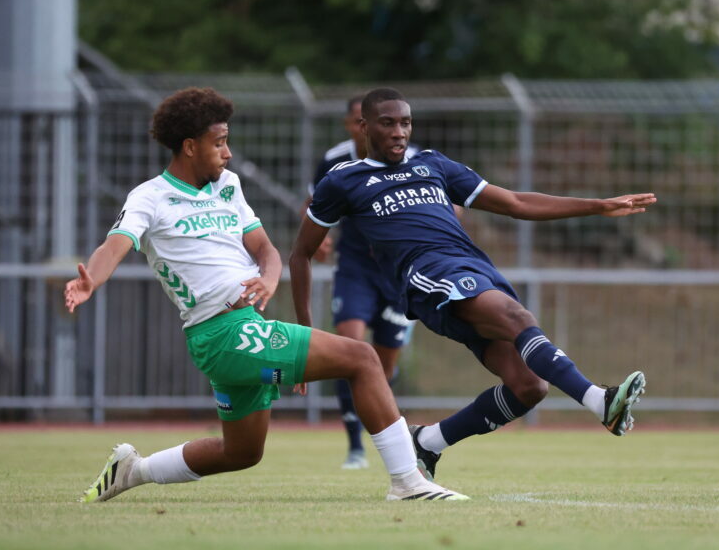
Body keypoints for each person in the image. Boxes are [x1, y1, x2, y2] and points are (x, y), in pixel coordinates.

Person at [65, 87, 465, 502]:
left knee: (241, 452)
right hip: (224, 337)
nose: (228, 153)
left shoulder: (228, 186)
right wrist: (90, 280)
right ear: (189, 146)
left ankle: (132, 470)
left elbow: (266, 250)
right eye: (219, 143)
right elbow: (115, 245)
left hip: (245, 336)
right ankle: (408, 481)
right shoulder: (149, 197)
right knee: (362, 358)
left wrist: (270, 280)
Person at [291, 87, 655, 481]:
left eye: (406, 122)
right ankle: (600, 401)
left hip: (472, 267)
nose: (399, 132)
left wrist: (597, 206)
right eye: (388, 123)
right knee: (516, 315)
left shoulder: (432, 164)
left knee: (529, 386)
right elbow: (300, 255)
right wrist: (305, 333)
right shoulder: (343, 180)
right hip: (426, 275)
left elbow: (515, 203)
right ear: (363, 127)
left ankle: (427, 442)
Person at [309, 96, 419, 470]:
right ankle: (356, 447)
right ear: (355, 125)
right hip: (354, 266)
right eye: (363, 120)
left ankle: (388, 428)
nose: (392, 131)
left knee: (383, 367)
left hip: (395, 272)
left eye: (398, 123)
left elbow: (445, 199)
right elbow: (315, 203)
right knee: (350, 350)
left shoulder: (412, 156)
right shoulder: (334, 160)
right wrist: (319, 238)